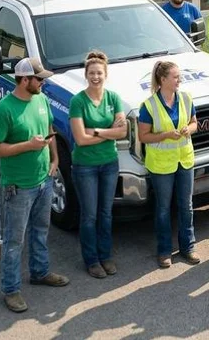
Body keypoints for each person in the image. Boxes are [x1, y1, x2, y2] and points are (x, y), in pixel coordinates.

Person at [0, 57, 69, 313]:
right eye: (38, 78)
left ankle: (40, 272)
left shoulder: (41, 100)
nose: (43, 82)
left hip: (44, 179)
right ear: (24, 80)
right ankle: (10, 290)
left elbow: (48, 129)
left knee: (41, 230)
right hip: (18, 186)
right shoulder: (4, 110)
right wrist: (28, 146)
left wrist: (54, 158)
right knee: (14, 240)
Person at [68, 51, 127, 279]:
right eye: (91, 73)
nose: (95, 77)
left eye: (99, 73)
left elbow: (123, 131)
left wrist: (98, 131)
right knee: (90, 215)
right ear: (86, 75)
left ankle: (106, 256)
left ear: (106, 74)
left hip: (109, 164)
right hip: (85, 167)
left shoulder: (113, 98)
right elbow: (80, 139)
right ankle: (91, 260)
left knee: (106, 213)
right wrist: (109, 132)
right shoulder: (78, 101)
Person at [138, 60, 200, 269]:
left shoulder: (185, 97)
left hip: (184, 160)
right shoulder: (149, 105)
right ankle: (164, 251)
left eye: (179, 76)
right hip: (161, 165)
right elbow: (143, 136)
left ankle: (188, 247)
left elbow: (194, 123)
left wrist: (188, 130)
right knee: (163, 209)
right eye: (175, 77)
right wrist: (165, 135)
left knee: (186, 206)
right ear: (162, 79)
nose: (179, 80)